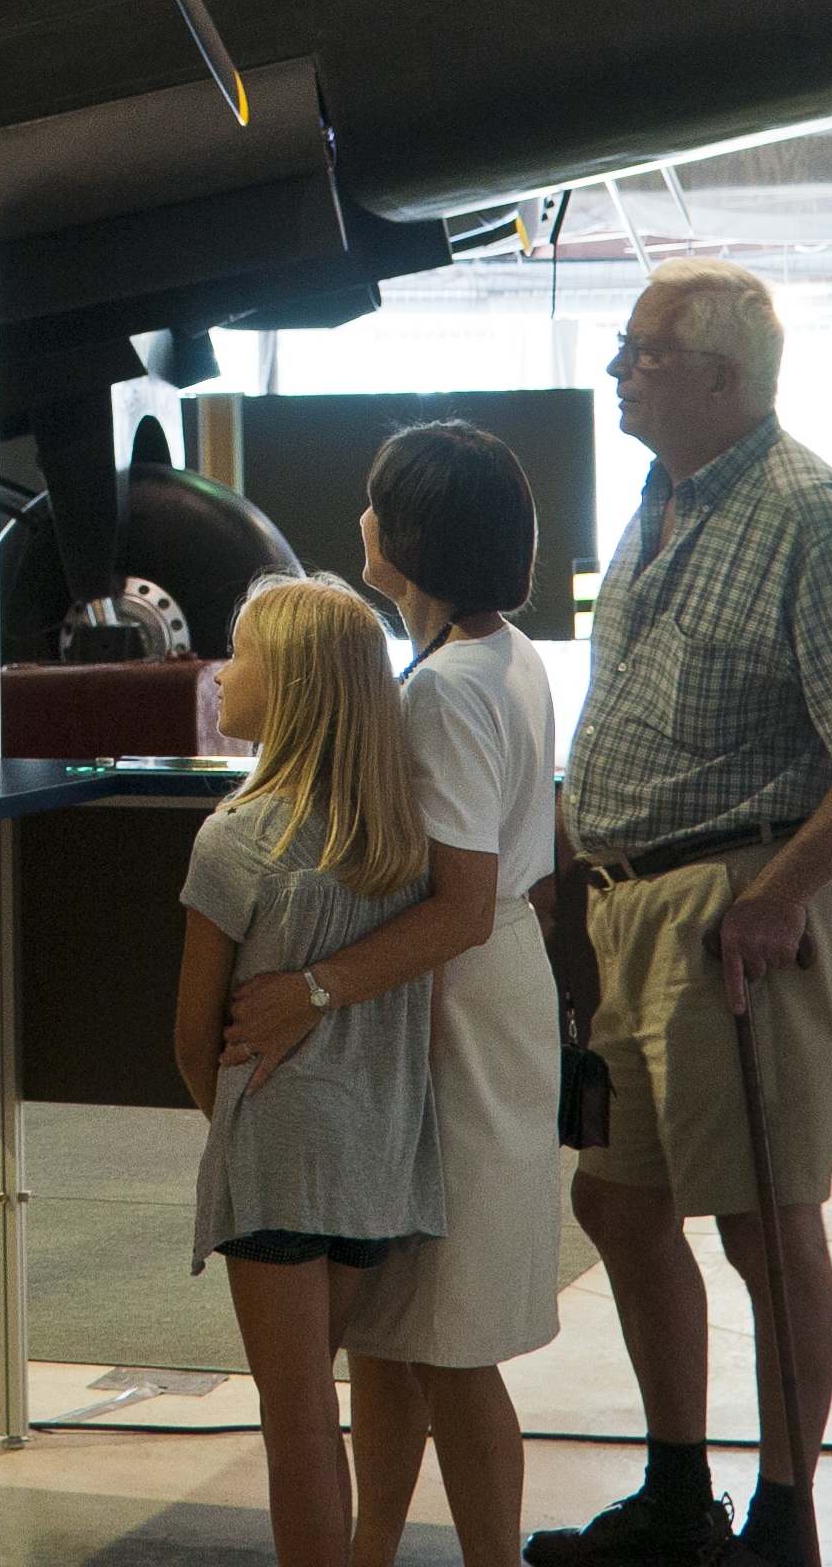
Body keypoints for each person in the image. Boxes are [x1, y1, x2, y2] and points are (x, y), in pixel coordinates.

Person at [535, 260, 832, 1567]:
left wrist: (779, 895)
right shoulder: (661, 504)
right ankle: (676, 1496)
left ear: (719, 376)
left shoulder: (808, 514)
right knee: (618, 1204)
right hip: (630, 908)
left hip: (734, 911)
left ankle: (781, 1521)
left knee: (767, 1227)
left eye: (639, 353)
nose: (616, 370)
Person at [221, 421, 566, 1567]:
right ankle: (371, 1544)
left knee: (453, 1336)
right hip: (474, 987)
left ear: (408, 533)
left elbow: (458, 903)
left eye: (375, 502)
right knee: (392, 1319)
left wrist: (311, 989)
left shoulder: (448, 690)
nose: (360, 517)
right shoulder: (498, 655)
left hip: (454, 999)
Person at [177, 575, 453, 1567]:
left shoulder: (235, 839)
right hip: (376, 1156)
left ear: (289, 685)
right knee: (327, 1394)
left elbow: (190, 1032)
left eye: (240, 654)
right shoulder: (407, 840)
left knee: (293, 1420)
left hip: (280, 1155)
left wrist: (240, 1127)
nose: (221, 671)